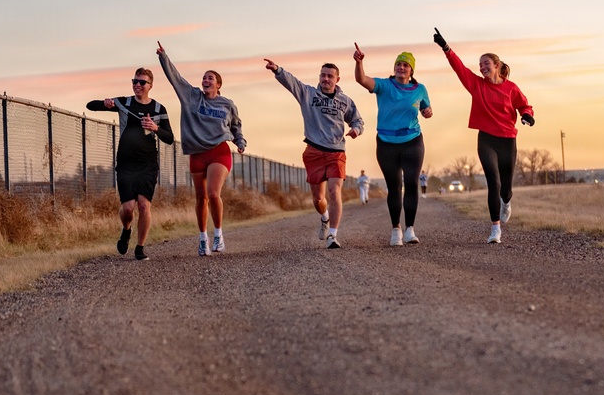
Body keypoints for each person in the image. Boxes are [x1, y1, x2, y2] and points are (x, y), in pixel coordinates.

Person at [433, 27, 534, 244]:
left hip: (507, 140)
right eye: (479, 65)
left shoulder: (511, 88)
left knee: (505, 188)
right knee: (493, 182)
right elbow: (459, 68)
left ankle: (506, 201)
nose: (481, 67)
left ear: (497, 66)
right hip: (486, 139)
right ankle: (495, 228)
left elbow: (524, 105)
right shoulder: (477, 85)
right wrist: (446, 47)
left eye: (485, 63)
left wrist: (527, 116)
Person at [156, 42, 246, 257]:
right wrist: (163, 57)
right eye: (204, 78)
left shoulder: (226, 104)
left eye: (210, 78)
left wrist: (240, 141)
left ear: (218, 85)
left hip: (219, 151)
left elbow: (236, 126)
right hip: (197, 154)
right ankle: (203, 238)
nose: (206, 81)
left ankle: (218, 235)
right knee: (200, 198)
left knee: (213, 193)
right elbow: (175, 78)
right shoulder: (191, 97)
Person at [264, 59, 364, 249]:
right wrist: (277, 70)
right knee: (319, 199)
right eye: (323, 75)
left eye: (330, 76)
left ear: (337, 79)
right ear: (319, 77)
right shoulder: (308, 93)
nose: (326, 79)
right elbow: (291, 82)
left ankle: (333, 235)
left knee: (335, 192)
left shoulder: (345, 101)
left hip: (336, 152)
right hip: (314, 151)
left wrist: (356, 130)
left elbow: (358, 121)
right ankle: (324, 218)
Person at [86, 68, 175, 261]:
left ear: (150, 85)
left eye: (142, 82)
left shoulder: (159, 109)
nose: (137, 85)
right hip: (126, 163)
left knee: (143, 206)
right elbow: (90, 105)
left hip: (148, 164)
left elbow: (169, 138)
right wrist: (107, 103)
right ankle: (126, 230)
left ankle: (140, 247)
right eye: (135, 81)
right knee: (128, 209)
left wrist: (155, 128)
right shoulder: (124, 103)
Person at [353, 43, 432, 247]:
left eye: (406, 65)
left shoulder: (420, 89)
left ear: (411, 70)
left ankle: (410, 230)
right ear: (394, 67)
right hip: (387, 143)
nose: (401, 68)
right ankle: (396, 229)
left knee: (412, 183)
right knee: (394, 187)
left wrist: (427, 112)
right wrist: (359, 62)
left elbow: (426, 108)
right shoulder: (384, 85)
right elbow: (362, 80)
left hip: (413, 141)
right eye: (399, 64)